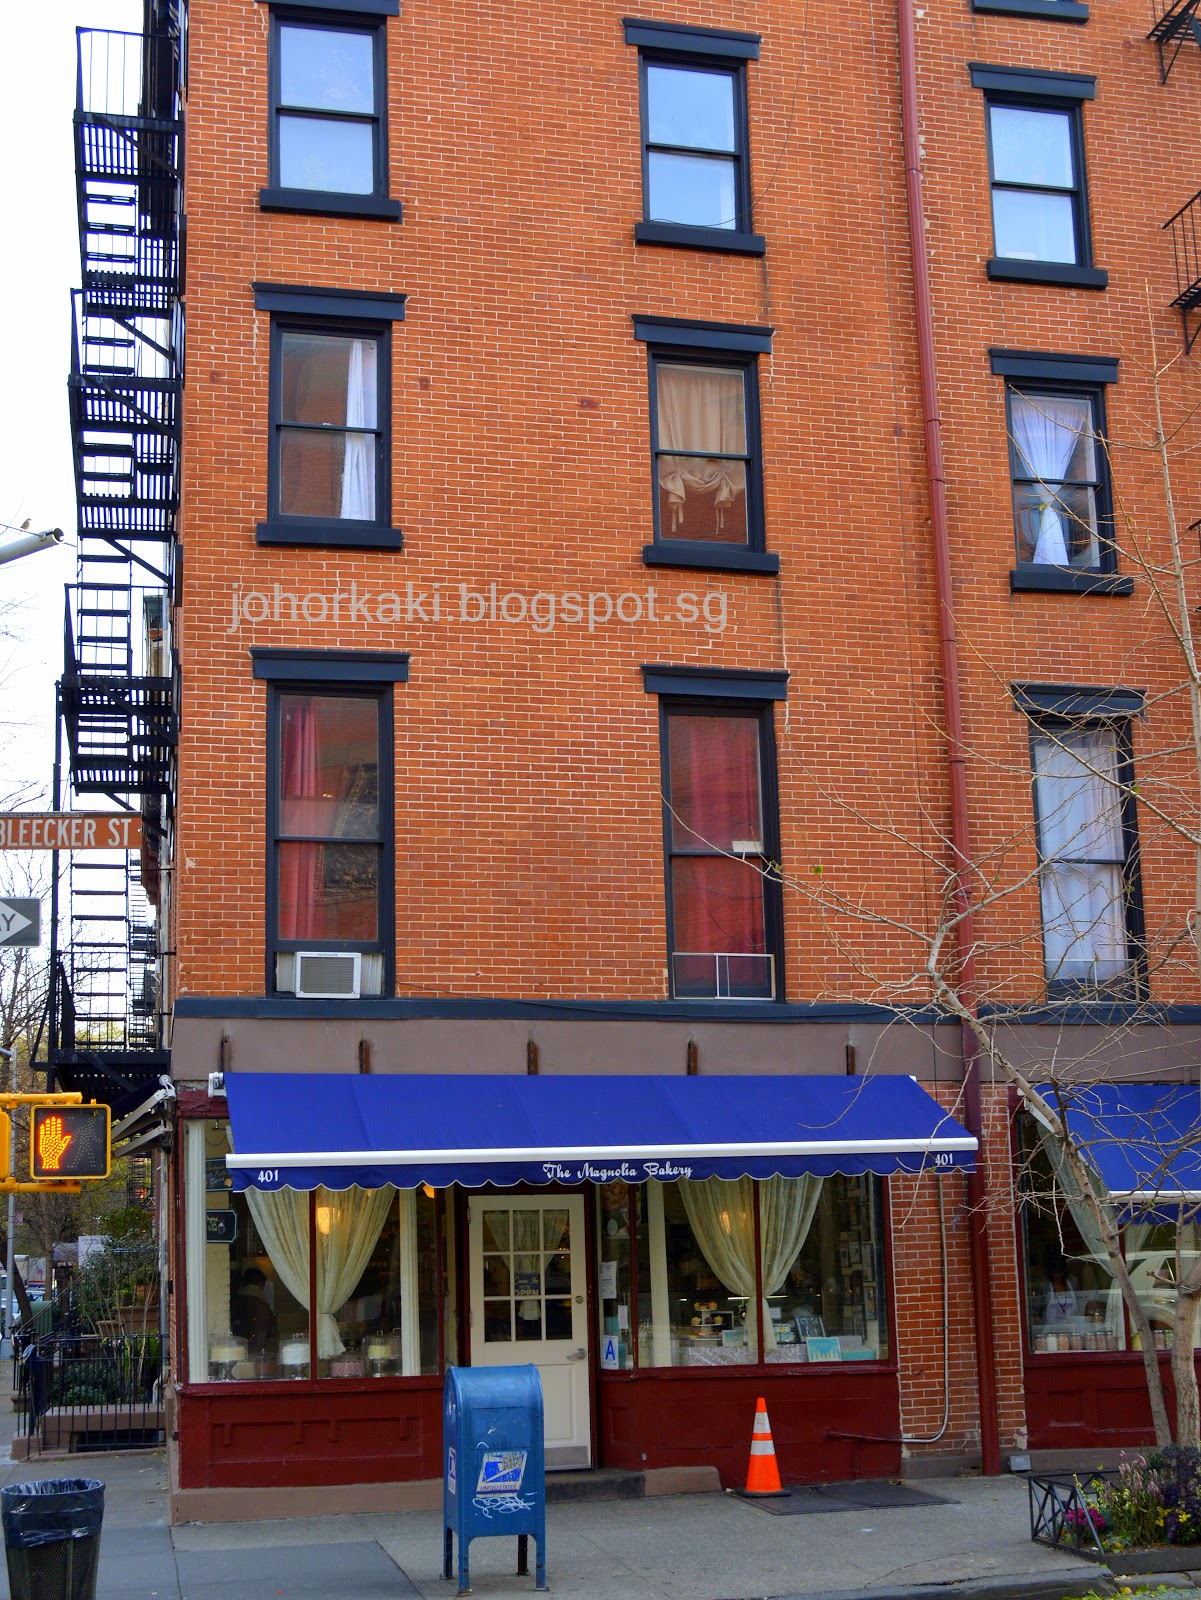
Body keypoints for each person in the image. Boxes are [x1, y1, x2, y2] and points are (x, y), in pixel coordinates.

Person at [231, 1266, 278, 1352]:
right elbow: (272, 1331)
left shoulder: (234, 1300)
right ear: (260, 1284)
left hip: (236, 1350)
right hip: (256, 1351)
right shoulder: (261, 1304)